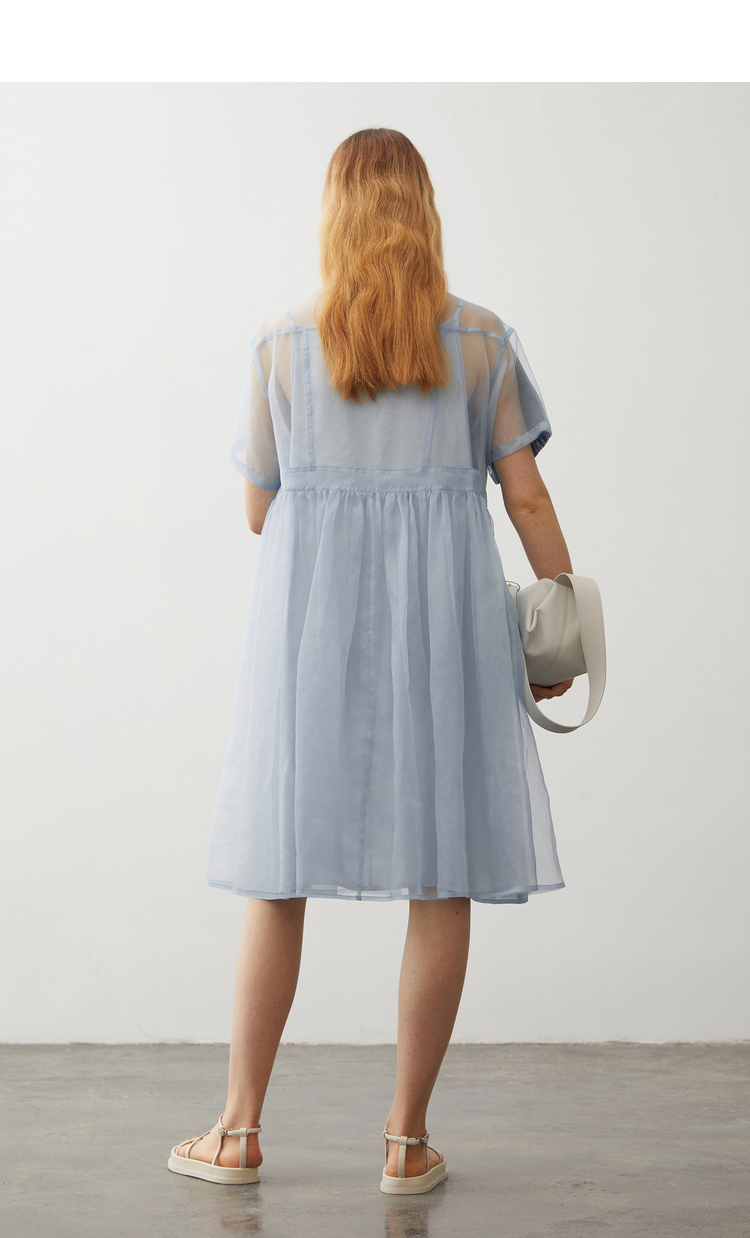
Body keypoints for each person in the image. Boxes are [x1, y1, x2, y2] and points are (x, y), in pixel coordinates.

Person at [168, 128, 574, 1195]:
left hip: (310, 639)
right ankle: (405, 1140)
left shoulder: (280, 345)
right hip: (445, 634)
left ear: (335, 215)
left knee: (277, 876)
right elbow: (527, 496)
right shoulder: (480, 341)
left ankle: (238, 1131)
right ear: (423, 212)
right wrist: (561, 621)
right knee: (441, 874)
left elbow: (258, 510)